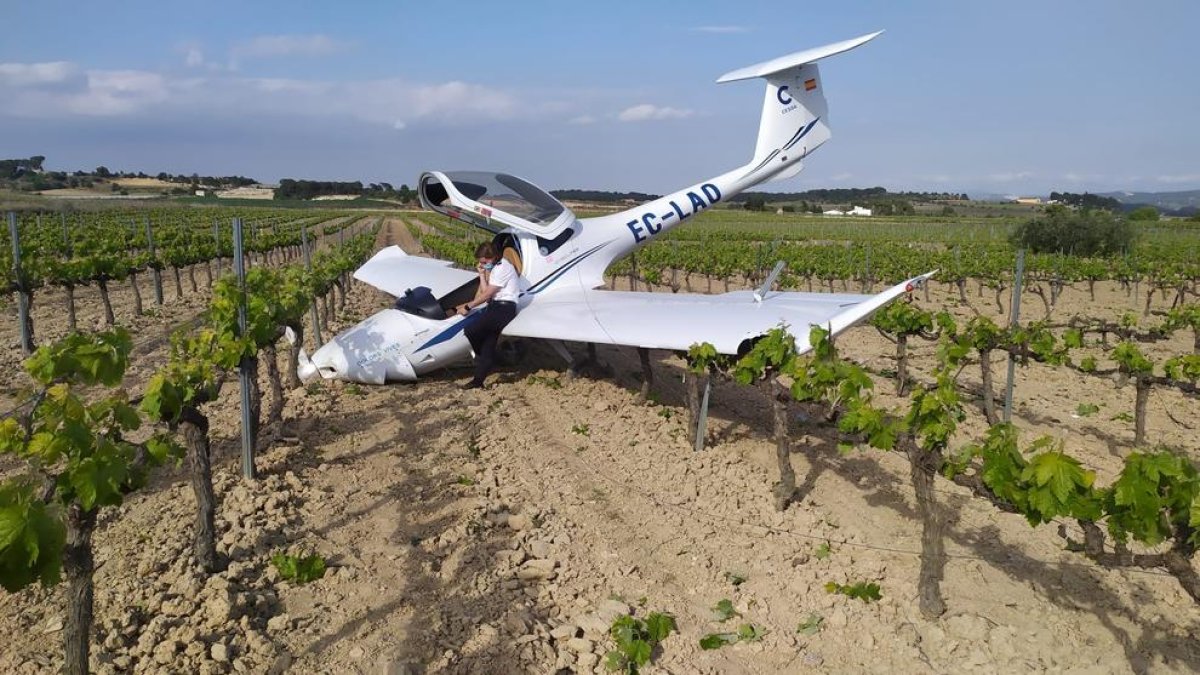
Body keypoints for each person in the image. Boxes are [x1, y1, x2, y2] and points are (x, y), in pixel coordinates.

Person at [458, 242, 520, 389]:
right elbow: (486, 290)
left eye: (484, 262)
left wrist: (468, 307)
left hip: (504, 308)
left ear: (493, 257)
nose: (482, 264)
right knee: (488, 343)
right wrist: (481, 274)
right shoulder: (496, 268)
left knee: (471, 330)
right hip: (496, 306)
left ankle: (486, 359)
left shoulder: (503, 268)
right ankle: (478, 380)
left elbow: (486, 295)